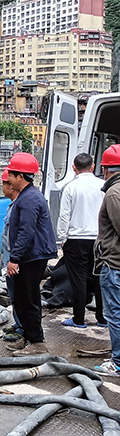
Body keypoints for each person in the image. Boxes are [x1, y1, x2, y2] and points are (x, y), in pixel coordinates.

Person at [4, 152, 57, 356]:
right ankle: (29, 336)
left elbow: (26, 231)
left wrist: (14, 259)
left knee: (28, 299)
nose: (8, 179)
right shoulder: (29, 196)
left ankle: (37, 342)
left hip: (32, 255)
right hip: (32, 254)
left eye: (11, 175)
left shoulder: (29, 199)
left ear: (20, 176)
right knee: (23, 297)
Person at [56, 153, 105, 328]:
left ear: (74, 168)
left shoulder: (71, 187)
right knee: (100, 279)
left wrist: (62, 237)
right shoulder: (103, 186)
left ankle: (79, 319)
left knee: (78, 280)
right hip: (99, 239)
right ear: (92, 167)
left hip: (75, 239)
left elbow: (64, 216)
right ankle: (102, 318)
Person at [95, 144, 120, 376]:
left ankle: (118, 361)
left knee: (114, 314)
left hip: (114, 264)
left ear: (105, 169)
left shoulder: (113, 193)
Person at [0, 168, 23, 342]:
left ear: (11, 186)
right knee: (14, 294)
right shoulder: (12, 206)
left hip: (14, 263)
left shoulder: (18, 208)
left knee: (19, 295)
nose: (2, 187)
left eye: (3, 184)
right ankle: (18, 323)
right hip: (9, 261)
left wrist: (13, 260)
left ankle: (21, 328)